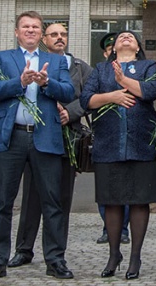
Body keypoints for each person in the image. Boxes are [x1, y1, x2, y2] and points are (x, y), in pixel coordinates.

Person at [0, 11, 74, 281]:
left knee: (52, 202)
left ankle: (55, 259)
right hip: (11, 137)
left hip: (45, 137)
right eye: (26, 26)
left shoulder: (56, 61)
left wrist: (48, 83)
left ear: (41, 33)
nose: (31, 30)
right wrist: (19, 83)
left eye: (36, 27)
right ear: (17, 31)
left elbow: (69, 92)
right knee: (2, 203)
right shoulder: (2, 58)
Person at [8, 23, 93, 268]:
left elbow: (89, 98)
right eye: (54, 34)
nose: (59, 38)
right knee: (32, 195)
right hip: (38, 137)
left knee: (61, 197)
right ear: (44, 39)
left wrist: (70, 112)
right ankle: (24, 249)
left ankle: (56, 254)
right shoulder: (33, 62)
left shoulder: (79, 67)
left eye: (63, 34)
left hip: (68, 138)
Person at [81, 30, 156, 280]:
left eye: (131, 37)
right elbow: (86, 100)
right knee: (111, 200)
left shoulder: (149, 66)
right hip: (109, 144)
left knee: (139, 201)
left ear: (137, 47)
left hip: (141, 145)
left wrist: (123, 80)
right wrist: (111, 96)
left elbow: (149, 91)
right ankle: (114, 254)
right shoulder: (101, 70)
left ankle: (135, 256)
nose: (126, 38)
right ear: (113, 48)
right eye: (121, 37)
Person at [93, 31, 130, 245]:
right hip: (107, 135)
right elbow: (88, 99)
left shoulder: (137, 69)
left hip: (128, 136)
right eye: (109, 50)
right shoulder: (100, 72)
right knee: (106, 188)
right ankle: (108, 227)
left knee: (125, 186)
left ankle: (122, 228)